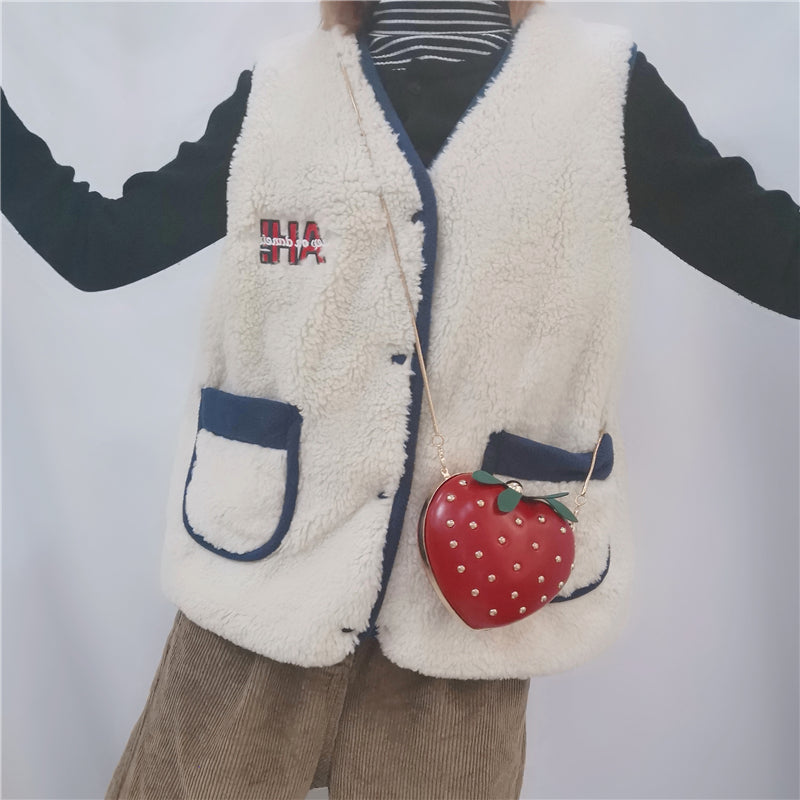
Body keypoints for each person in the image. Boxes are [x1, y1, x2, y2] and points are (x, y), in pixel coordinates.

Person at [2, 2, 798, 798]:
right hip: (267, 574)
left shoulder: (599, 89)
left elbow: (774, 256)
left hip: (474, 595)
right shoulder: (283, 90)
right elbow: (99, 246)